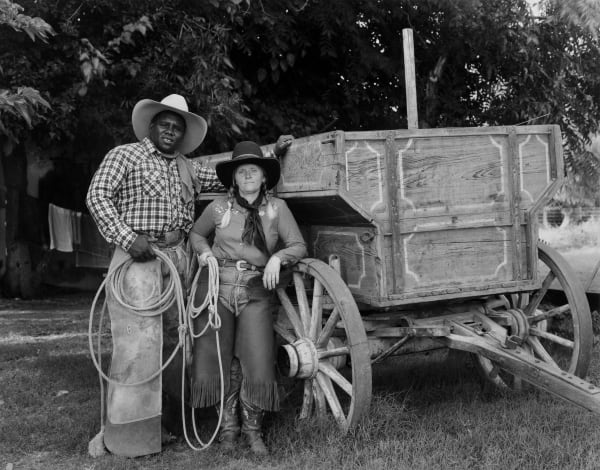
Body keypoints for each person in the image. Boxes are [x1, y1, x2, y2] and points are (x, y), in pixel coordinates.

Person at [85, 94, 293, 457]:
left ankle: (169, 423)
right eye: (165, 124)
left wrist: (271, 152)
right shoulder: (125, 155)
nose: (170, 131)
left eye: (177, 128)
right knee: (137, 342)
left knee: (177, 340)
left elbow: (237, 178)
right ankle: (128, 434)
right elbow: (97, 196)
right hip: (139, 255)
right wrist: (127, 238)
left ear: (183, 135)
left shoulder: (187, 167)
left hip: (178, 257)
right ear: (151, 126)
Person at [189, 140, 306, 456]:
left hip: (255, 289)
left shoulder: (277, 209)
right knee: (218, 357)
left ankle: (253, 432)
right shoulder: (217, 208)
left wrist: (277, 258)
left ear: (264, 177)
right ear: (234, 179)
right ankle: (228, 429)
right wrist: (203, 254)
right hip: (216, 288)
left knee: (257, 359)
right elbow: (197, 235)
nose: (248, 175)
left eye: (254, 170)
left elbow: (298, 245)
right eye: (242, 171)